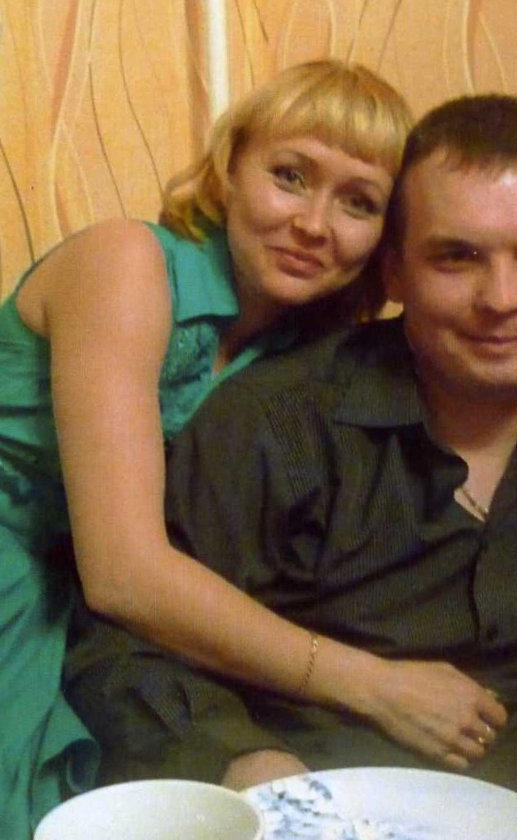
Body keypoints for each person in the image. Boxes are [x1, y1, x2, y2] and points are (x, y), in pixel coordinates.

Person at [64, 92, 517, 799]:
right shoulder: (278, 425)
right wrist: (248, 766)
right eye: (457, 258)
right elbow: (119, 647)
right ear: (395, 270)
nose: (502, 299)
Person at [0, 58, 417, 839]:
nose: (314, 224)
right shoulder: (128, 263)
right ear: (229, 168)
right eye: (290, 176)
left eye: (358, 202)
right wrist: (375, 685)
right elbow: (124, 573)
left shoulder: (300, 354)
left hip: (79, 617)